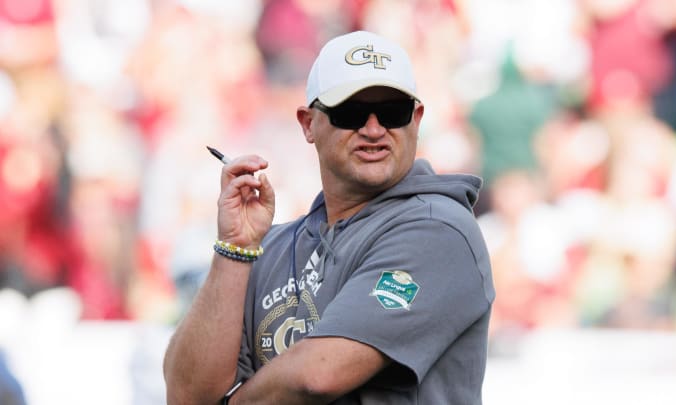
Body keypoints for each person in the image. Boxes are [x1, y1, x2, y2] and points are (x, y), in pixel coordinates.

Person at [163, 30, 495, 404]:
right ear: (308, 123)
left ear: (416, 119)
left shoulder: (440, 231)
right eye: (350, 112)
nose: (374, 130)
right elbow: (186, 393)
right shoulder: (268, 247)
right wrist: (235, 250)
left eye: (392, 113)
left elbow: (319, 374)